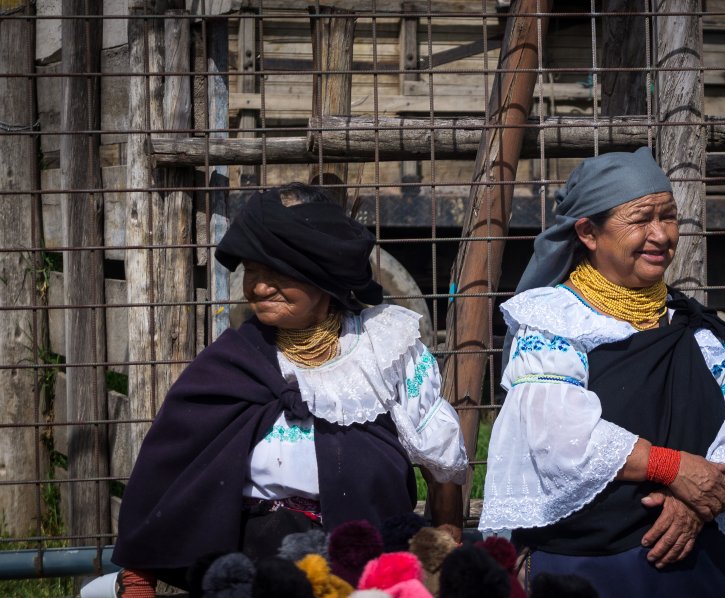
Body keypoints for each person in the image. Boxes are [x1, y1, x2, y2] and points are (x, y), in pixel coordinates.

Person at [92, 184, 468, 596]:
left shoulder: (386, 348)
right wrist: (138, 578)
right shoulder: (231, 363)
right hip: (257, 565)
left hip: (364, 562)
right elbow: (167, 470)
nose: (258, 287)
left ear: (324, 273)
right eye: (252, 271)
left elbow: (441, 464)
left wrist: (446, 546)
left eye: (277, 272)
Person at [478, 148, 725, 597]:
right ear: (588, 232)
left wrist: (699, 501)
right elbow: (558, 435)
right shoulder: (554, 326)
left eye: (669, 217)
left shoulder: (695, 328)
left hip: (698, 568)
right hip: (586, 573)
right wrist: (674, 467)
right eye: (642, 219)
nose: (661, 235)